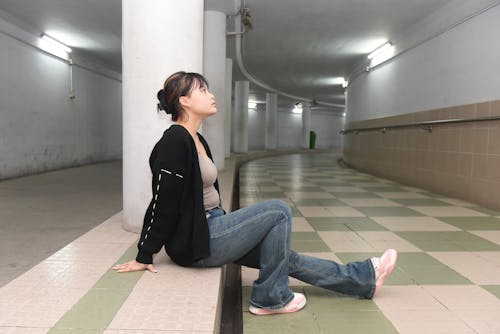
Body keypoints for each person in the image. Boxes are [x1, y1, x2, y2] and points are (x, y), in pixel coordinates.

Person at [113, 71, 398, 316]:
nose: (211, 95)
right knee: (278, 211)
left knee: (286, 257)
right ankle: (269, 298)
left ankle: (363, 278)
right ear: (184, 101)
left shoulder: (196, 138)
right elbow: (163, 200)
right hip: (199, 241)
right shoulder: (175, 140)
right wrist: (145, 254)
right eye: (203, 90)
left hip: (213, 227)